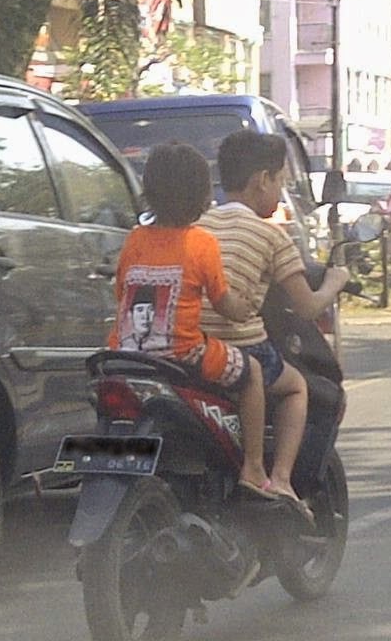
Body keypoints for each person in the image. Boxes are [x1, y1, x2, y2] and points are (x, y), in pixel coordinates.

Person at [108, 142, 276, 501]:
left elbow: (120, 290)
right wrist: (246, 307)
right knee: (254, 374)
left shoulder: (135, 239)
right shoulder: (201, 243)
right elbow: (225, 304)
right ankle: (254, 467)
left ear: (149, 192)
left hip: (124, 357)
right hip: (184, 356)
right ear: (202, 196)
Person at [198, 130, 350, 520]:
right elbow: (305, 306)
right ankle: (279, 478)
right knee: (296, 385)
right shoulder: (271, 235)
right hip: (238, 348)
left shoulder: (199, 224)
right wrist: (335, 281)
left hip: (192, 346)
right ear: (261, 180)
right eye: (280, 180)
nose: (281, 191)